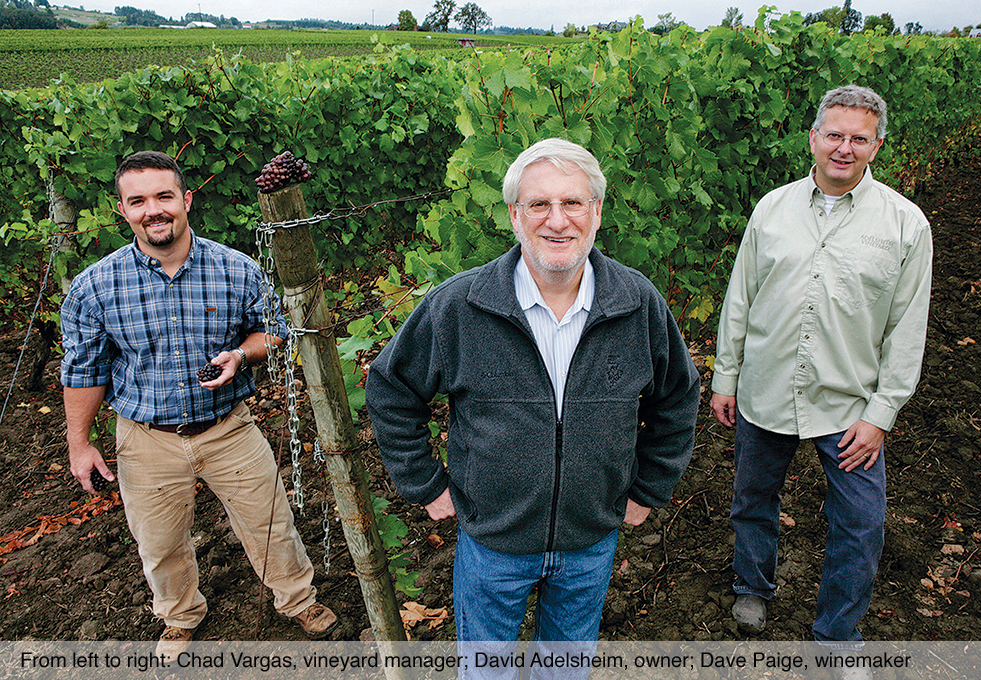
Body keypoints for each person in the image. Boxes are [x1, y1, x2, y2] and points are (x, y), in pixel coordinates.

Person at [367, 138, 700, 673]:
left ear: (596, 212)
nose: (557, 221)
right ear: (514, 216)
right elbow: (391, 388)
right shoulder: (459, 305)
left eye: (572, 203)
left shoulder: (637, 303)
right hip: (493, 541)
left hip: (591, 538)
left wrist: (650, 488)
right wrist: (425, 485)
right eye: (539, 204)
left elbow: (677, 398)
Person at [60, 151, 337, 652]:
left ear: (185, 200)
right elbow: (84, 370)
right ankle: (180, 616)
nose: (154, 210)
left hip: (228, 427)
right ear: (123, 210)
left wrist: (241, 354)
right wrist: (79, 443)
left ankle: (298, 600)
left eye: (164, 196)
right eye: (138, 201)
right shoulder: (95, 286)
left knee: (269, 523)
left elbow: (271, 330)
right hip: (147, 439)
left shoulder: (236, 268)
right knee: (160, 545)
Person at [710, 85, 932, 651]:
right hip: (765, 385)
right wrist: (726, 376)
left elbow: (907, 330)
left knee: (860, 523)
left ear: (876, 147)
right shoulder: (771, 208)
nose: (844, 148)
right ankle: (752, 586)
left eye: (859, 138)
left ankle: (837, 635)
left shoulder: (907, 225)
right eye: (834, 135)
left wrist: (882, 415)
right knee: (753, 497)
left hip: (849, 403)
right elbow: (742, 296)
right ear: (813, 138)